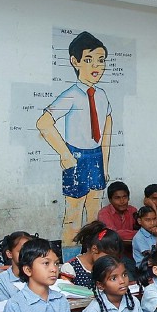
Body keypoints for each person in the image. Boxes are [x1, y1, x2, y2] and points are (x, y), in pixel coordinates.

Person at [36, 31, 113, 249]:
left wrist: (105, 165)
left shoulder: (102, 95)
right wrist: (65, 154)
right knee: (73, 217)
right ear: (75, 62)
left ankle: (93, 261)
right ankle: (71, 265)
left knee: (94, 218)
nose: (95, 66)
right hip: (76, 156)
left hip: (96, 157)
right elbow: (43, 123)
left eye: (100, 60)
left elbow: (107, 129)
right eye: (88, 60)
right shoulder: (71, 94)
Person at [66, 222, 123, 291]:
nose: (111, 260)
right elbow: (66, 292)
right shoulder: (71, 268)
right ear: (95, 249)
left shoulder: (109, 267)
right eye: (108, 256)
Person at [0, 230, 35, 302]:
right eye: (21, 251)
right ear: (9, 254)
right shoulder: (0, 280)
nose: (26, 255)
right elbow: (3, 308)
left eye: (30, 251)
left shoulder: (38, 275)